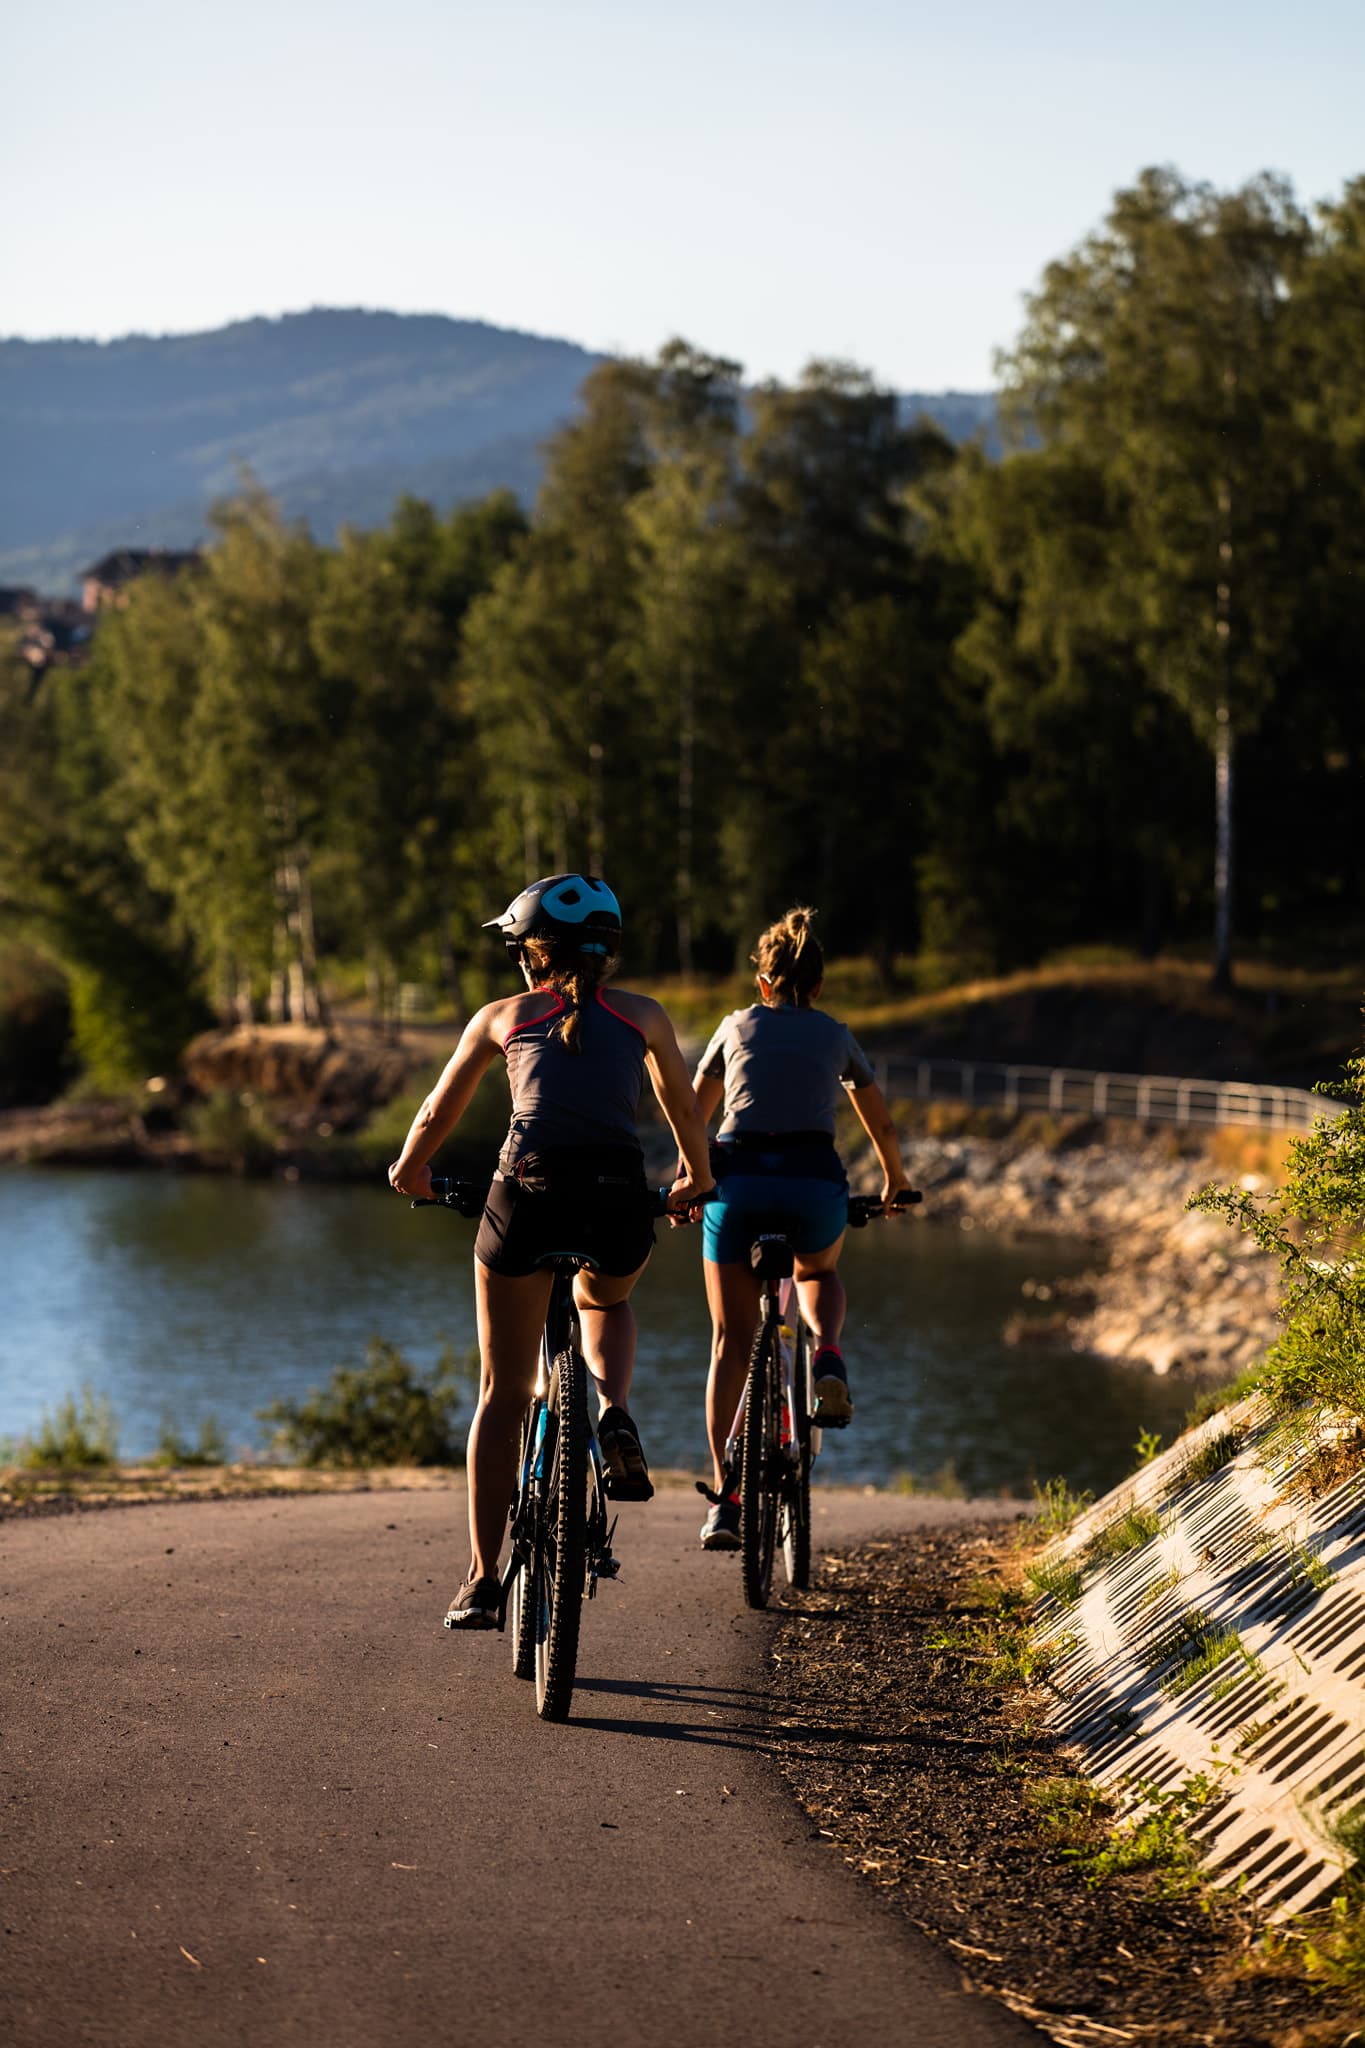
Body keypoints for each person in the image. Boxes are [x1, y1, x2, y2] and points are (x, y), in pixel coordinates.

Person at [388, 873, 715, 1626]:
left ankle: (479, 1577)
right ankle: (611, 1404)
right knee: (608, 1297)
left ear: (530, 955)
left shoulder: (503, 1016)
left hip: (524, 1200)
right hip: (615, 1200)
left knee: (503, 1393)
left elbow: (439, 1107)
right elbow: (682, 1110)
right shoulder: (643, 1017)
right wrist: (694, 1180)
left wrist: (412, 1172)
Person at [690, 906, 912, 1550]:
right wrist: (894, 1182)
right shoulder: (835, 1035)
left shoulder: (734, 1027)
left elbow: (694, 1116)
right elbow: (881, 1125)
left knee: (731, 1341)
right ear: (817, 986)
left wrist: (687, 1177)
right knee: (818, 1269)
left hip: (737, 1185)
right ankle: (830, 1354)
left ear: (763, 983)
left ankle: (726, 1497)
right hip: (815, 1186)